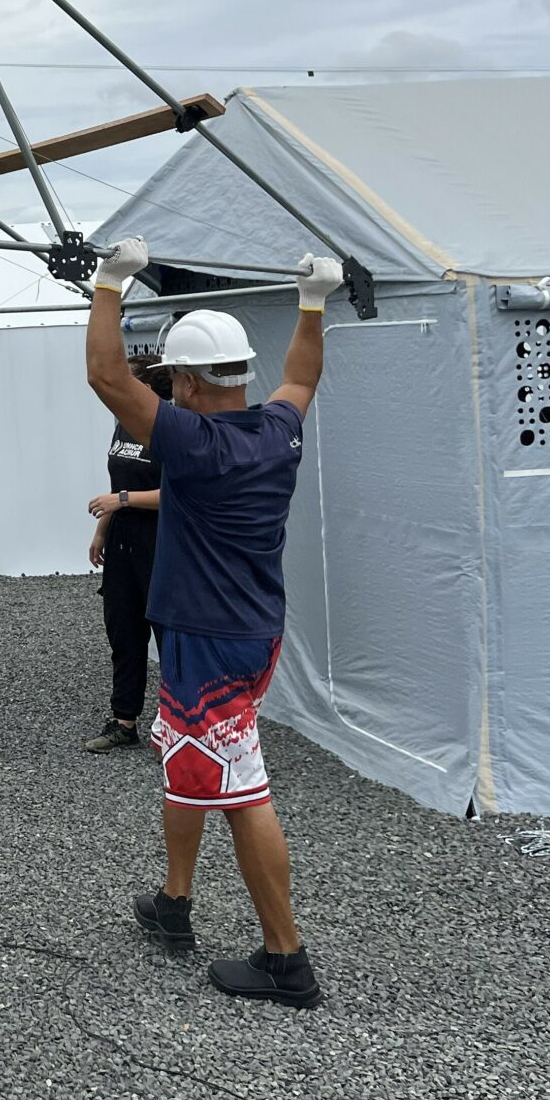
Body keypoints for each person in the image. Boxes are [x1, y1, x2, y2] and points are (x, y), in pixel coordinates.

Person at [85, 237, 342, 1008]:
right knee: (189, 760)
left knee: (241, 790)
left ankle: (285, 959)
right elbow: (303, 372)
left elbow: (105, 375)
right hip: (252, 629)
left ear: (190, 383)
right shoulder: (277, 429)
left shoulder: (192, 442)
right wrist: (312, 301)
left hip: (207, 640)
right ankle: (174, 904)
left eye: (172, 379)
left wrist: (108, 284)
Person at [82, 360, 168, 753]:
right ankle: (124, 722)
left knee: (169, 638)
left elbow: (178, 494)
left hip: (160, 544)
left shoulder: (171, 428)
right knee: (124, 632)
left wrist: (121, 500)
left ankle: (176, 727)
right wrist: (102, 529)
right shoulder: (123, 423)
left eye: (130, 382)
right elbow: (120, 479)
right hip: (122, 542)